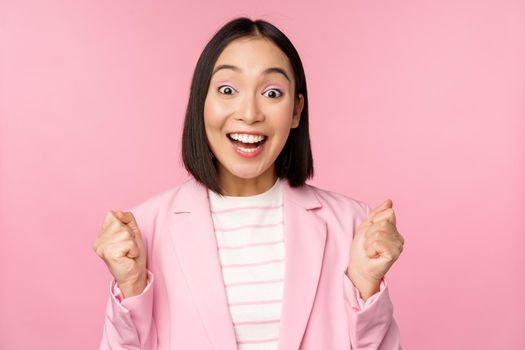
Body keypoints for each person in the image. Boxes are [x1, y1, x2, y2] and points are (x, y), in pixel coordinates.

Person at [92, 16, 404, 350]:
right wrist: (130, 286)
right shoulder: (146, 231)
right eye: (227, 90)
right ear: (201, 101)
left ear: (296, 111)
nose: (250, 113)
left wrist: (367, 285)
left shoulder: (351, 225)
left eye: (272, 92)